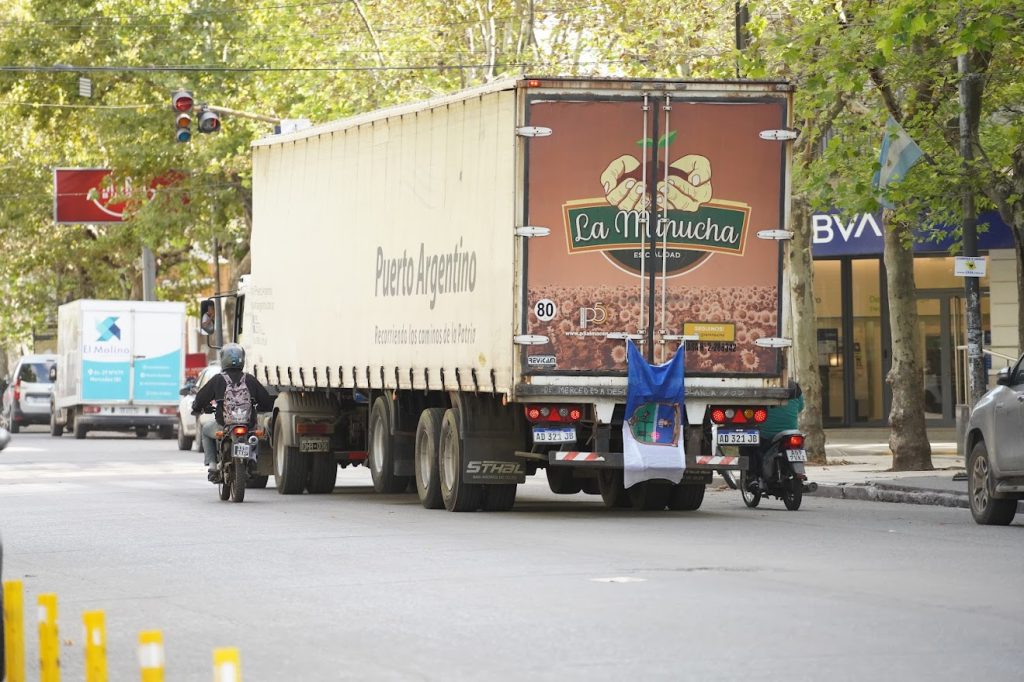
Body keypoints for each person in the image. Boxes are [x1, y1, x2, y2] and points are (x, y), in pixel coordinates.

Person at [191, 343, 275, 481]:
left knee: (206, 430)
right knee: (254, 435)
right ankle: (252, 459)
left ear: (223, 359)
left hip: (224, 425)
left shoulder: (218, 379)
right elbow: (266, 401)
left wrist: (197, 408)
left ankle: (212, 466)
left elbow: (200, 399)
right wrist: (260, 407)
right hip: (247, 425)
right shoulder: (249, 379)